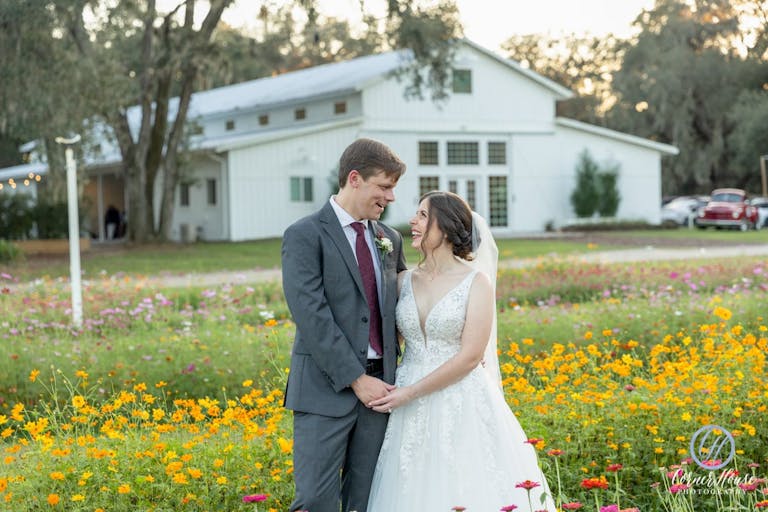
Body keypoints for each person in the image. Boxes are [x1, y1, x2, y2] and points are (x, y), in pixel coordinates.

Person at [367, 191, 556, 511]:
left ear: (447, 225)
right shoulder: (402, 281)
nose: (413, 221)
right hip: (407, 409)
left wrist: (409, 392)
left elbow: (470, 356)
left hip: (460, 399)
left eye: (423, 215)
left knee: (465, 482)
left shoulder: (476, 282)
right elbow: (391, 340)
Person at [281, 138, 408, 512]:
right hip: (324, 390)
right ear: (354, 178)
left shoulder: (390, 239)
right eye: (384, 187)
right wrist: (356, 379)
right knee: (316, 500)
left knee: (367, 500)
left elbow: (406, 307)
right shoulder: (304, 235)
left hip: (381, 391)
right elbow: (311, 314)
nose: (391, 198)